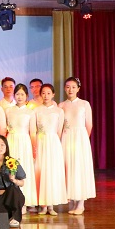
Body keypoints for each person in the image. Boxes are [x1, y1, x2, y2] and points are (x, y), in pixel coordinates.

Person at [59, 77, 95, 215]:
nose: (70, 90)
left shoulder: (84, 104)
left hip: (80, 138)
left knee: (79, 168)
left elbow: (89, 125)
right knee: (69, 168)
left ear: (78, 89)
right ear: (64, 88)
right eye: (68, 87)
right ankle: (72, 200)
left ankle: (81, 203)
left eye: (73, 87)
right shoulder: (61, 105)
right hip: (66, 137)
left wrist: (83, 140)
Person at [31, 83, 67, 215]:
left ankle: (51, 205)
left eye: (48, 93)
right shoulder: (36, 110)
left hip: (53, 143)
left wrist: (54, 143)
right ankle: (43, 205)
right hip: (40, 142)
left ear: (53, 94)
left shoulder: (59, 111)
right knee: (41, 172)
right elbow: (33, 130)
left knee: (52, 172)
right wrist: (35, 146)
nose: (46, 96)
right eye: (43, 93)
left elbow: (59, 130)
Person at [5, 84, 37, 212]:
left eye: (22, 94)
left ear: (27, 96)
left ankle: (24, 202)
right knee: (10, 170)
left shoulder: (30, 112)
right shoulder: (8, 110)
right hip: (11, 141)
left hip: (24, 142)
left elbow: (33, 133)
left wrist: (34, 150)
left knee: (24, 170)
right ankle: (11, 201)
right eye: (17, 94)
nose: (19, 97)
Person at [0, 135, 27, 227]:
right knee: (1, 220)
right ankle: (8, 216)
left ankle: (16, 218)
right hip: (0, 196)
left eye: (2, 145)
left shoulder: (13, 162)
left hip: (14, 196)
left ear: (6, 147)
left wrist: (14, 180)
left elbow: (22, 183)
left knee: (12, 189)